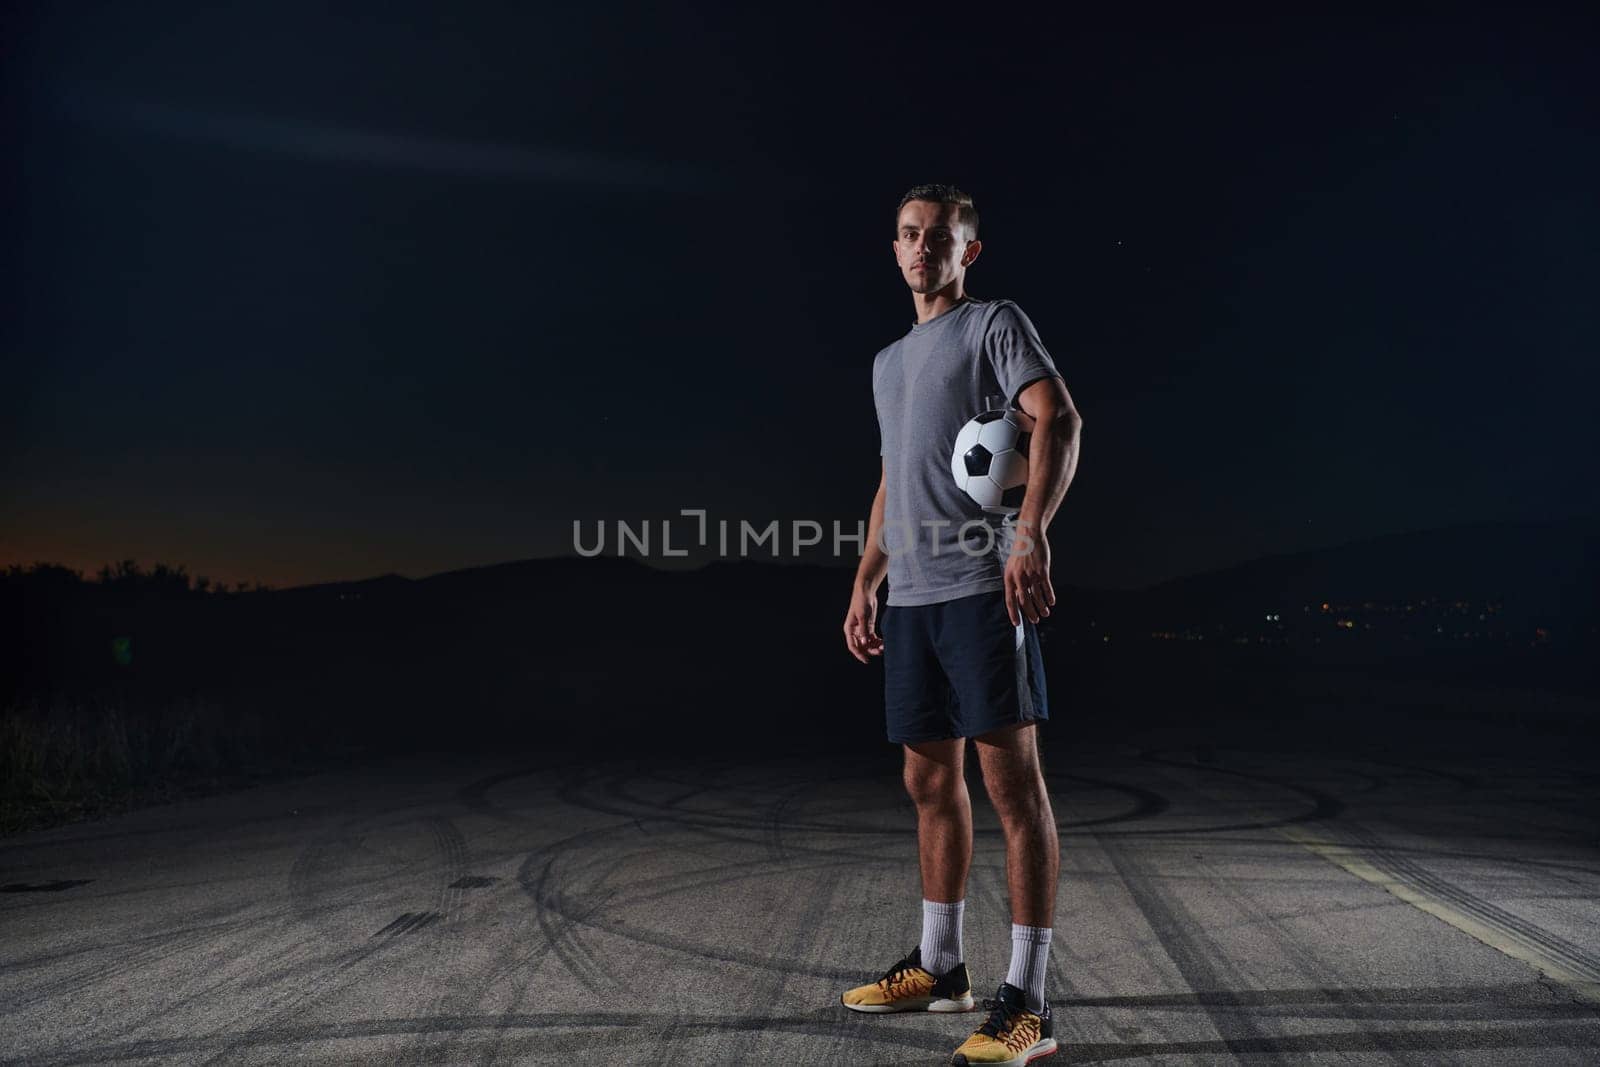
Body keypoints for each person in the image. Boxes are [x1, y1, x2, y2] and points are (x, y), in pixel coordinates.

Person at [840, 184, 1083, 1067]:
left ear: (966, 250)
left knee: (1014, 791)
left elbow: (1059, 417)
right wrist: (868, 576)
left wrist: (1032, 536)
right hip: (911, 599)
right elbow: (891, 478)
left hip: (983, 590)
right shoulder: (886, 361)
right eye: (908, 235)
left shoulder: (993, 327)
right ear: (894, 245)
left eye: (938, 237)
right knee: (929, 786)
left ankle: (1032, 1000)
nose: (920, 249)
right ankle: (942, 969)